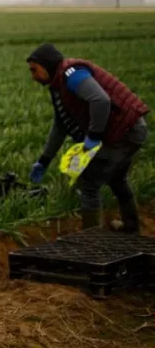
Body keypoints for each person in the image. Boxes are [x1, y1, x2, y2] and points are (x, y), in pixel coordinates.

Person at [26, 43, 149, 233]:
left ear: (47, 65)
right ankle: (131, 227)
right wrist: (44, 160)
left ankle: (91, 242)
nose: (33, 76)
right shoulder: (59, 86)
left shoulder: (72, 75)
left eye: (35, 70)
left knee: (89, 184)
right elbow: (60, 126)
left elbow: (100, 100)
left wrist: (93, 137)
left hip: (125, 131)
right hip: (131, 129)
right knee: (117, 179)